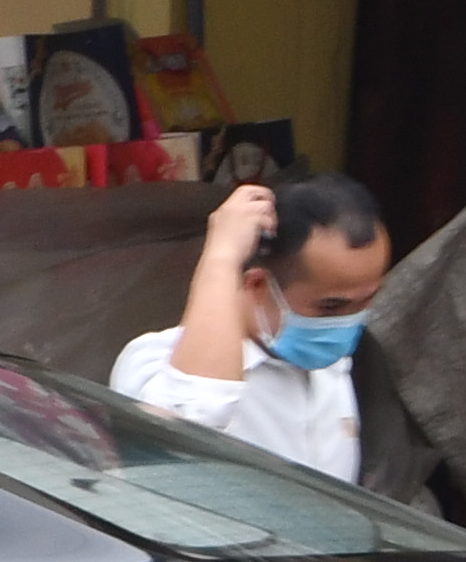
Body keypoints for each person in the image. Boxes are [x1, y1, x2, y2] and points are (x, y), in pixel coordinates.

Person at [109, 174, 389, 479]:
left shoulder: (328, 366)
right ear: (257, 285)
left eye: (366, 302)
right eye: (330, 307)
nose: (348, 323)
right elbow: (191, 419)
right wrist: (222, 258)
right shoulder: (153, 363)